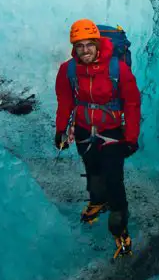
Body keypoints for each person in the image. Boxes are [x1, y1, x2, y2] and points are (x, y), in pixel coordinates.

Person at [54, 19, 141, 259]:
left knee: (114, 180)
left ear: (97, 44)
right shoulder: (68, 70)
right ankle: (97, 201)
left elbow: (132, 103)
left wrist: (131, 138)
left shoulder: (117, 69)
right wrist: (62, 129)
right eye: (79, 46)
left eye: (89, 45)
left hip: (112, 133)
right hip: (83, 130)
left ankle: (119, 229)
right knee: (92, 170)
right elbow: (65, 101)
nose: (85, 51)